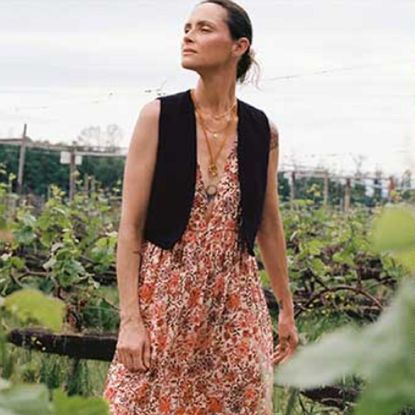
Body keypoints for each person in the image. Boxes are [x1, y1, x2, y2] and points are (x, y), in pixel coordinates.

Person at [102, 0, 299, 413]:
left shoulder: (263, 131)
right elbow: (130, 227)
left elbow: (268, 222)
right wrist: (130, 320)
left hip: (234, 304)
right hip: (164, 300)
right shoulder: (158, 117)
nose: (188, 35)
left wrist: (285, 309)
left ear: (238, 46)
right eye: (187, 26)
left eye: (204, 28)